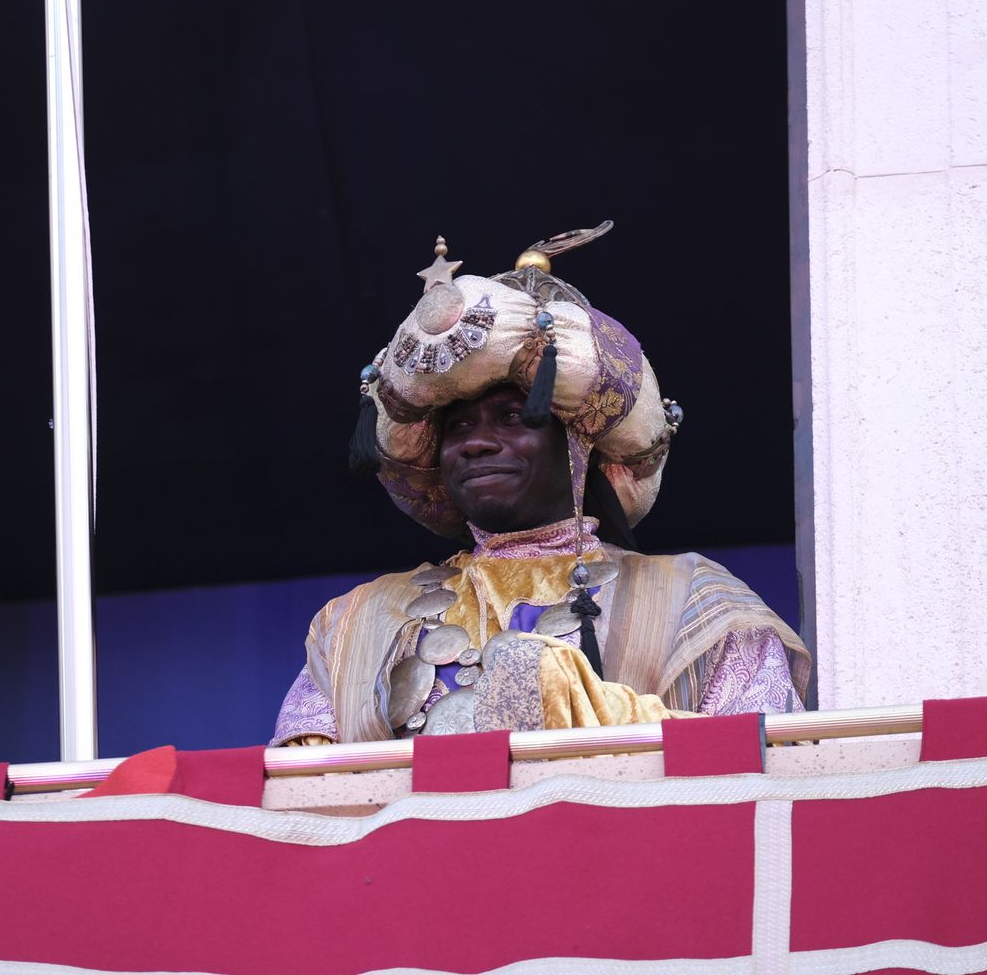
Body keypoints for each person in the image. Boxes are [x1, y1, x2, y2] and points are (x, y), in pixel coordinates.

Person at [271, 224, 810, 746]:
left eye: (512, 417)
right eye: (458, 426)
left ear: (578, 446)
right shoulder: (354, 622)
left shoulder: (695, 602)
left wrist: (579, 702)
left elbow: (764, 764)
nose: (475, 443)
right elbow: (300, 791)